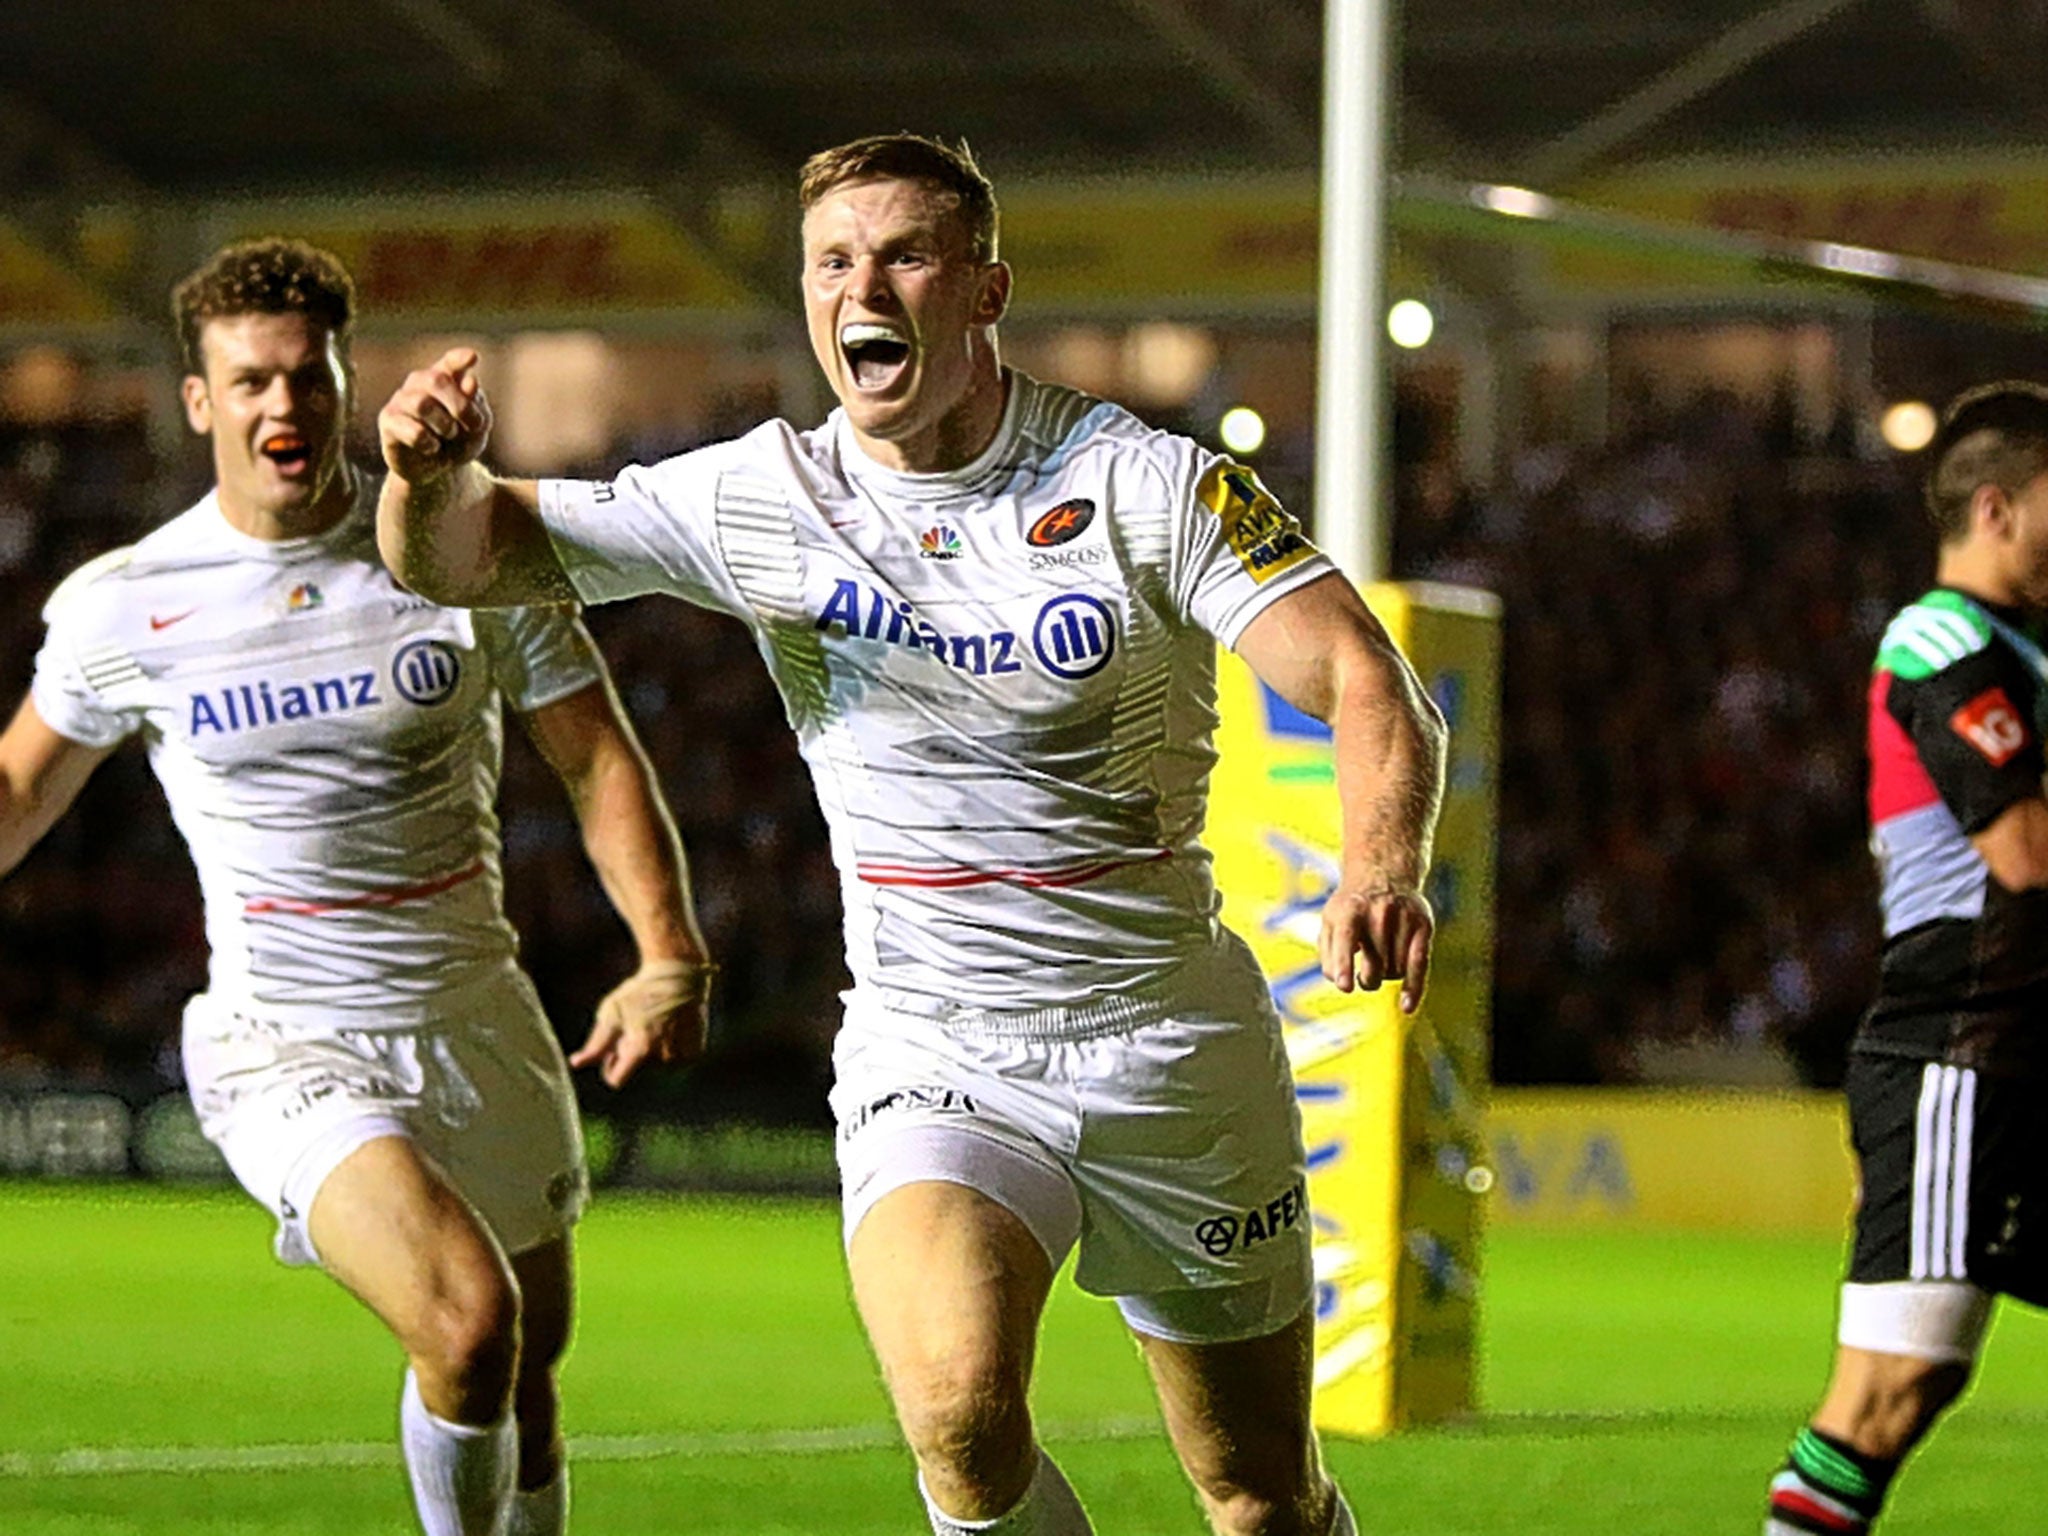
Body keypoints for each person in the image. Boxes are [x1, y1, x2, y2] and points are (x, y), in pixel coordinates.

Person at [377, 134, 1445, 1536]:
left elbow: (1367, 677)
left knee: (1257, 1497)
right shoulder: (762, 495)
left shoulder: (1139, 484)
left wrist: (1381, 859)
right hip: (939, 1046)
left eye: (902, 255)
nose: (859, 286)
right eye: (832, 260)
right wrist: (421, 476)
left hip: (1166, 1040)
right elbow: (456, 555)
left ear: (983, 291)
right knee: (956, 1412)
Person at [0, 239, 713, 1536]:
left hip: (479, 1020)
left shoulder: (461, 552)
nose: (285, 407)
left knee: (524, 1383)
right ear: (201, 400)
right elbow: (15, 792)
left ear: (340, 383)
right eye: (253, 382)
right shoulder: (123, 605)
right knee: (466, 1322)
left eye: (308, 378)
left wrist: (666, 948)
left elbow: (595, 755)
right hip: (286, 1039)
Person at [1764, 381, 2048, 1536]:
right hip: (1960, 1053)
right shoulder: (1940, 639)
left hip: (2028, 1052)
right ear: (1995, 508)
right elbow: (2023, 852)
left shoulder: (2020, 651)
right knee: (1892, 1390)